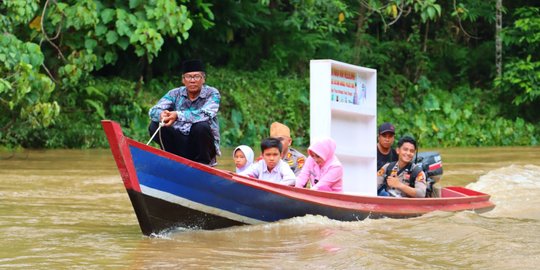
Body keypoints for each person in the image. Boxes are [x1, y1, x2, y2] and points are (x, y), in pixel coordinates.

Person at [148, 59, 220, 165]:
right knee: (155, 125)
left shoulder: (212, 94)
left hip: (202, 146)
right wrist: (161, 115)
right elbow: (153, 111)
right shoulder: (174, 93)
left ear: (203, 79)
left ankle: (203, 164)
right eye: (188, 77)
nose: (192, 80)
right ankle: (172, 159)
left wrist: (177, 115)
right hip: (180, 143)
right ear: (183, 80)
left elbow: (206, 114)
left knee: (201, 126)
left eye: (196, 76)